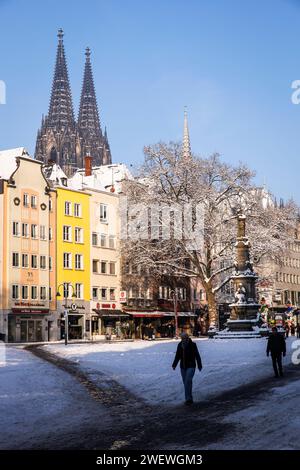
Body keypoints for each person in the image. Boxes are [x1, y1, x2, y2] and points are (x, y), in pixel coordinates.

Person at [172, 333, 202, 405]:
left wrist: (199, 365)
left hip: (191, 366)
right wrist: (174, 364)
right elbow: (177, 355)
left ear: (188, 338)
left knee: (188, 380)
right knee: (186, 382)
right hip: (183, 366)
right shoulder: (180, 345)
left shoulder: (193, 345)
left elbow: (197, 355)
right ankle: (189, 398)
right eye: (182, 338)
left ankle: (188, 399)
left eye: (185, 338)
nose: (183, 339)